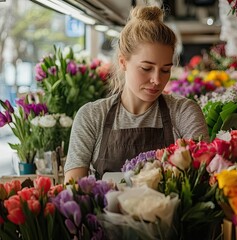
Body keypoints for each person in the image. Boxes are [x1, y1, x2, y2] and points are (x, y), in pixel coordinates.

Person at [64, 5, 209, 182]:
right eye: (146, 68)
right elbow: (74, 192)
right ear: (123, 62)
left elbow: (202, 181)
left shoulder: (184, 113)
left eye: (165, 70)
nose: (157, 80)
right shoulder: (92, 117)